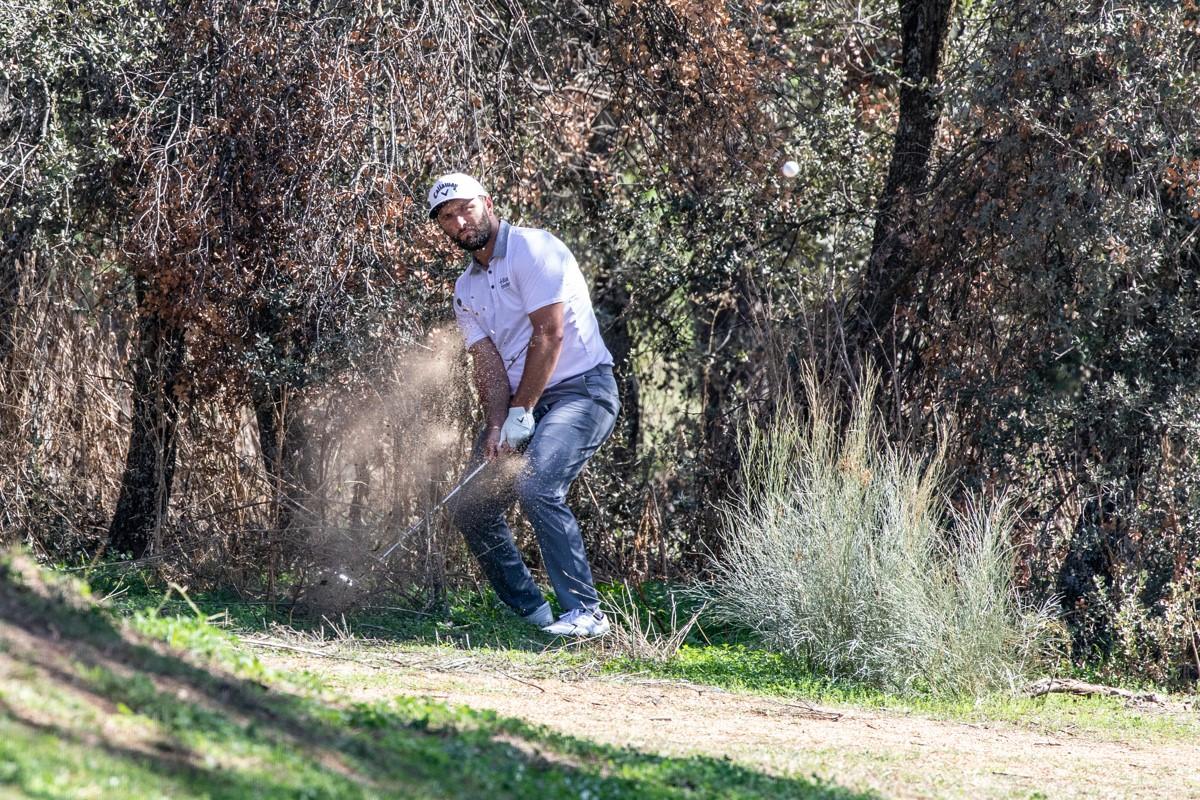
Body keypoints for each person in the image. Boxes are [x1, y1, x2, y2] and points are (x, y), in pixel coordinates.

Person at [427, 171, 619, 637]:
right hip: (522, 404)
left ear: (487, 203)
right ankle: (534, 615)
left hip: (581, 392)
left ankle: (586, 613)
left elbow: (548, 334)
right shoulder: (465, 290)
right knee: (471, 508)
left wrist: (521, 411)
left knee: (537, 487)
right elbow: (488, 365)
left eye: (465, 208)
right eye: (447, 218)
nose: (459, 221)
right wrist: (497, 424)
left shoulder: (535, 249)